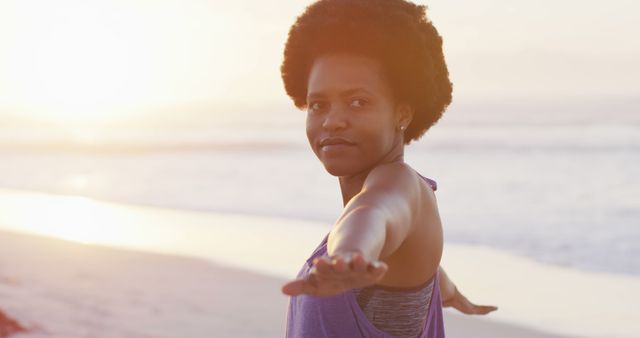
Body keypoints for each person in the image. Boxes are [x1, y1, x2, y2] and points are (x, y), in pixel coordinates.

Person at [279, 0, 497, 337]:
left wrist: (351, 253)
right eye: (318, 105)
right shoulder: (392, 239)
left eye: (358, 102)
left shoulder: (399, 186)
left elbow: (374, 213)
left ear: (402, 114)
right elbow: (409, 256)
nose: (333, 120)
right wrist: (446, 288)